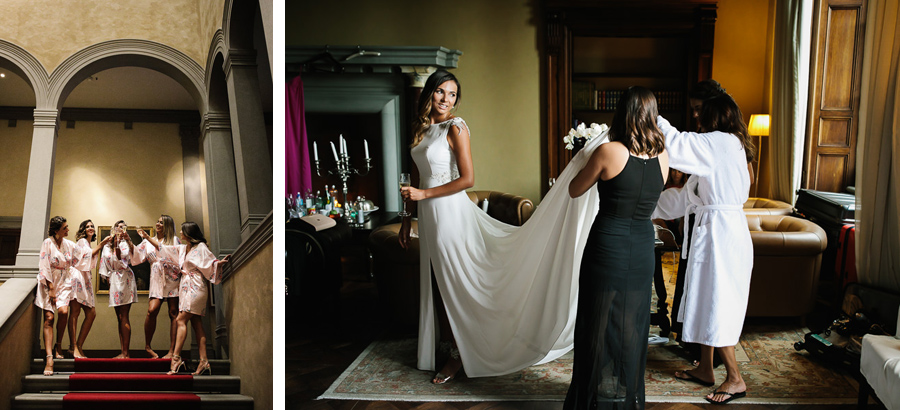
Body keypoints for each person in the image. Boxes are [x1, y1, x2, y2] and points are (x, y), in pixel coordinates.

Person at [398, 70, 607, 384]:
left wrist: (424, 195)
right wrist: (406, 219)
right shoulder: (422, 128)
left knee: (456, 285)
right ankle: (448, 344)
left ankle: (459, 356)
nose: (446, 99)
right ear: (430, 93)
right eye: (441, 92)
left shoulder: (456, 128)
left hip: (449, 215)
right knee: (439, 285)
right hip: (427, 215)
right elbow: (415, 177)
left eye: (452, 94)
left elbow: (468, 179)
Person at [563, 86, 669, 409]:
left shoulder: (609, 152)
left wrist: (582, 157)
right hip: (641, 248)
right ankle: (625, 395)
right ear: (652, 115)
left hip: (607, 246)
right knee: (631, 324)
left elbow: (573, 189)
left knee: (596, 323)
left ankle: (591, 398)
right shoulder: (664, 157)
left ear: (622, 113)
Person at [652, 93, 756, 404]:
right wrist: (648, 206)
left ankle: (735, 378)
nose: (698, 121)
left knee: (718, 302)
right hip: (716, 231)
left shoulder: (720, 142)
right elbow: (686, 197)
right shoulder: (729, 145)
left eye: (702, 116)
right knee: (708, 299)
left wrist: (653, 116)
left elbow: (677, 142)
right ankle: (707, 369)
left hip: (721, 235)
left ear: (715, 117)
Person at [138, 222, 231, 376]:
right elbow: (163, 249)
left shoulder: (201, 247)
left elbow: (211, 262)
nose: (180, 232)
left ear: (189, 233)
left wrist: (218, 264)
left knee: (181, 320)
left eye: (183, 230)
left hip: (197, 286)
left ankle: (175, 359)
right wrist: (147, 238)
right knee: (196, 323)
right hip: (186, 287)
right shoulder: (183, 248)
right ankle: (204, 361)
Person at [35, 216, 78, 376]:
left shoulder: (69, 245)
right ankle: (49, 358)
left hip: (65, 282)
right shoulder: (47, 243)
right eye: (65, 228)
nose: (68, 230)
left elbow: (82, 257)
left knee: (63, 312)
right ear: (56, 230)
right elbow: (44, 265)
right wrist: (51, 288)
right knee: (49, 318)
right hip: (49, 282)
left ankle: (58, 345)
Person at [135, 215, 182, 359]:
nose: (158, 224)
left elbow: (174, 255)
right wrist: (128, 242)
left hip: (172, 276)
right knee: (152, 310)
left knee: (173, 312)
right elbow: (135, 255)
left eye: (162, 223)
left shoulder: (174, 240)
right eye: (158, 221)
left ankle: (171, 351)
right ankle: (148, 346)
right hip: (156, 275)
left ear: (167, 225)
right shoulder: (148, 242)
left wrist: (147, 237)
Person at [67, 219, 111, 358]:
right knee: (75, 312)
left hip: (85, 279)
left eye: (92, 226)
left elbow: (90, 261)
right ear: (83, 230)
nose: (90, 228)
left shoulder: (88, 243)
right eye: (87, 226)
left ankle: (79, 345)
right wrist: (102, 244)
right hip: (77, 277)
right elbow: (87, 255)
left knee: (91, 313)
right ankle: (73, 347)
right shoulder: (81, 242)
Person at [99, 220, 137, 359]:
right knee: (119, 317)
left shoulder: (125, 244)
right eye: (118, 227)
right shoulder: (106, 246)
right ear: (114, 229)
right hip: (114, 278)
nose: (121, 229)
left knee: (124, 315)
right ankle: (123, 351)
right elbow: (104, 262)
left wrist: (118, 243)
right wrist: (107, 278)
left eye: (123, 227)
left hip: (125, 278)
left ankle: (126, 352)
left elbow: (120, 256)